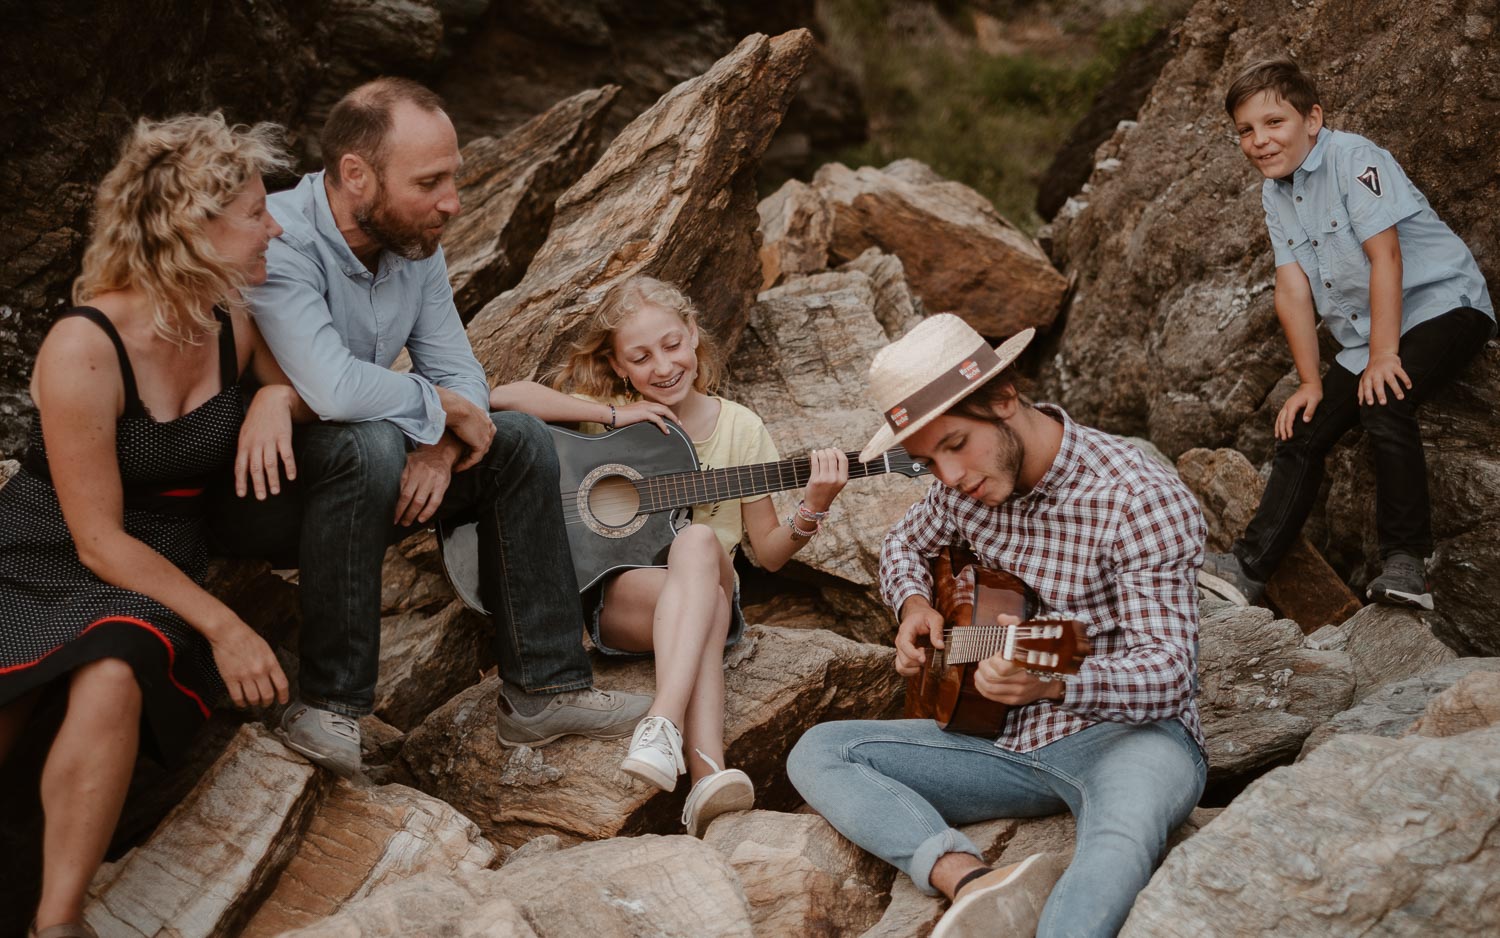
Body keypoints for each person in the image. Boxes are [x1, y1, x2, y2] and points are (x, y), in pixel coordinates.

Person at [214, 77, 650, 778]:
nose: (452, 201)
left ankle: (543, 690)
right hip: (266, 489)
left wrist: (446, 445)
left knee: (519, 439)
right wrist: (434, 409)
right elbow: (331, 386)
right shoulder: (280, 239)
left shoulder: (414, 240)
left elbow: (463, 373)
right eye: (430, 181)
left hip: (379, 474)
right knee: (369, 439)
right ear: (356, 175)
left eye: (454, 177)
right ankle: (330, 707)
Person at [787, 314, 1208, 938]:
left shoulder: (1138, 495)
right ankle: (974, 883)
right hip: (1001, 740)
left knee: (1117, 843)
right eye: (929, 462)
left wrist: (1051, 683)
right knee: (820, 750)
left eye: (955, 445)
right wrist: (913, 608)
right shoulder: (961, 492)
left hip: (1133, 737)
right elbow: (903, 544)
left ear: (1004, 397)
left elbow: (1170, 673)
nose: (950, 476)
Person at [0, 113, 305, 938]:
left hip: (156, 562)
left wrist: (275, 397)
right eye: (253, 212)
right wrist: (228, 629)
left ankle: (56, 924)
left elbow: (303, 384)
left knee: (115, 666)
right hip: (42, 552)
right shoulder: (84, 343)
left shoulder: (230, 318)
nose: (273, 225)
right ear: (190, 227)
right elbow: (94, 538)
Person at [489, 275, 849, 834]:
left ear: (694, 335)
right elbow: (501, 400)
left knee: (699, 543)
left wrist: (814, 506)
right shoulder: (607, 417)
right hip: (628, 610)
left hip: (714, 597)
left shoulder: (740, 428)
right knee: (697, 575)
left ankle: (662, 726)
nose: (662, 367)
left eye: (672, 345)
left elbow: (772, 555)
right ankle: (708, 772)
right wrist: (615, 417)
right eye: (640, 357)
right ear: (618, 367)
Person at [1197, 58, 1496, 611]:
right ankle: (1247, 568)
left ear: (1312, 118)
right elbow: (1292, 289)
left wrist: (1384, 356)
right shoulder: (1276, 194)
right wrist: (1310, 381)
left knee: (1384, 400)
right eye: (1246, 130)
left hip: (1442, 305)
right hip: (1368, 337)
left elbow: (1385, 258)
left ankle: (1407, 565)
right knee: (1301, 429)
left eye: (1273, 123)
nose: (1260, 141)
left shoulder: (1354, 158)